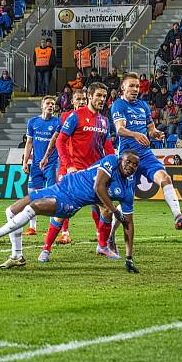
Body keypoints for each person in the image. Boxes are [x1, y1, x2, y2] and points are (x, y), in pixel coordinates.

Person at [0, 151, 141, 273]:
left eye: (135, 165)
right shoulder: (111, 161)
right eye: (128, 162)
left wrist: (129, 258)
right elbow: (98, 186)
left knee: (34, 207)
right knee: (12, 210)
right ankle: (17, 257)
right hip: (61, 186)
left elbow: (129, 225)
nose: (131, 166)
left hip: (71, 201)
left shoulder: (126, 191)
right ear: (121, 159)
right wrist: (114, 210)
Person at [112, 73, 182, 230]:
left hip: (145, 154)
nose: (135, 89)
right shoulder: (119, 105)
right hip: (127, 157)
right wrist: (136, 134)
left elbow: (151, 129)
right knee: (127, 199)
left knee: (165, 178)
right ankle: (109, 237)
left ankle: (178, 216)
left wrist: (155, 133)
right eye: (131, 86)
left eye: (137, 86)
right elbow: (120, 129)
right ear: (123, 87)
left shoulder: (143, 106)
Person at [41, 83, 115, 258]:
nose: (102, 100)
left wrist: (113, 166)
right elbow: (60, 141)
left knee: (107, 209)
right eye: (98, 96)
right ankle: (46, 249)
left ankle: (102, 246)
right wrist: (69, 164)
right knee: (62, 211)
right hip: (77, 174)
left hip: (97, 175)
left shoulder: (104, 120)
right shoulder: (75, 116)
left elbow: (108, 147)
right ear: (89, 96)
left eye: (104, 97)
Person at [38, 88, 88, 244]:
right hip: (67, 165)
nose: (81, 102)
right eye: (78, 99)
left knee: (98, 201)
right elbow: (56, 138)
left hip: (88, 164)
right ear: (72, 101)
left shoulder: (95, 118)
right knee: (64, 199)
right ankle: (64, 232)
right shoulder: (66, 117)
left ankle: (102, 237)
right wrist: (46, 156)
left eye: (83, 99)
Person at [21, 96, 60, 238]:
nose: (51, 106)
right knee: (32, 194)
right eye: (48, 103)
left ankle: (52, 228)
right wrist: (25, 161)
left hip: (52, 164)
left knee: (52, 196)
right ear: (42, 106)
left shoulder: (58, 122)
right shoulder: (33, 122)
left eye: (53, 104)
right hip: (36, 164)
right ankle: (32, 228)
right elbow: (29, 143)